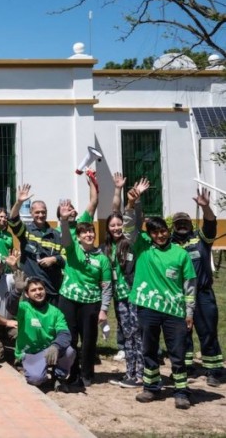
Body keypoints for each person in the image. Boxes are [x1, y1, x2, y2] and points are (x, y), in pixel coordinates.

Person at [125, 182, 197, 409]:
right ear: (149, 234)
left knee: (178, 351)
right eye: (155, 232)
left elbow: (189, 286)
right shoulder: (142, 247)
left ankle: (181, 391)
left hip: (175, 312)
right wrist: (131, 204)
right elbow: (129, 228)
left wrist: (189, 312)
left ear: (168, 230)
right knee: (149, 349)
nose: (160, 235)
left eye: (163, 231)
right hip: (148, 309)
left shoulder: (180, 254)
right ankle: (151, 388)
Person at [57, 199, 112, 388]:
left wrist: (104, 309)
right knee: (70, 338)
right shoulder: (72, 250)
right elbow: (65, 239)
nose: (89, 234)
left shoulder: (102, 259)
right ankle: (72, 373)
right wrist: (64, 221)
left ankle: (87, 373)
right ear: (78, 237)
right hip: (68, 300)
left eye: (91, 232)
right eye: (84, 232)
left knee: (88, 339)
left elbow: (107, 286)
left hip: (91, 303)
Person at [174, 189, 224, 386]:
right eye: (178, 223)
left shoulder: (201, 239)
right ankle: (187, 367)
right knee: (182, 332)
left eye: (185, 223)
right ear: (174, 227)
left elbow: (210, 222)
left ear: (191, 224)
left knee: (208, 330)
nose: (182, 226)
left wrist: (205, 207)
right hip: (179, 295)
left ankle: (214, 370)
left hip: (202, 294)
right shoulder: (169, 244)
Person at [102, 173, 144, 388]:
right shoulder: (106, 248)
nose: (116, 227)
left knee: (137, 335)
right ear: (108, 228)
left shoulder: (129, 241)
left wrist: (130, 201)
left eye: (119, 225)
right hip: (120, 299)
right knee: (127, 335)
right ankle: (130, 374)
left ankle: (140, 375)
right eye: (112, 225)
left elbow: (127, 219)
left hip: (134, 295)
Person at [7, 276, 75, 389]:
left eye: (40, 289)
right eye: (33, 290)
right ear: (27, 294)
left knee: (69, 351)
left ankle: (59, 377)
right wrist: (17, 291)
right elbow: (11, 308)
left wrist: (56, 346)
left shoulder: (55, 312)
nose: (38, 292)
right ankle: (23, 364)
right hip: (29, 352)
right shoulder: (23, 308)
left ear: (45, 290)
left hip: (49, 350)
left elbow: (65, 334)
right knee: (36, 379)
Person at [8, 184, 65, 304]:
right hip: (31, 290)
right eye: (37, 212)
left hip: (52, 289)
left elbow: (66, 257)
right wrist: (19, 202)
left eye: (43, 212)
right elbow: (13, 220)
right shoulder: (25, 231)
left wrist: (54, 259)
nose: (40, 215)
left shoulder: (56, 235)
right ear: (31, 213)